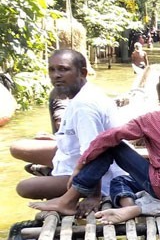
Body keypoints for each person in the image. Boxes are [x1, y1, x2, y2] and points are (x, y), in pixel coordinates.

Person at [30, 71, 160, 225]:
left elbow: (108, 136)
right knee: (120, 181)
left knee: (112, 146)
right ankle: (129, 208)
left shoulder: (149, 120)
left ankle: (69, 199)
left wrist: (80, 164)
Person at [16, 49, 123, 214]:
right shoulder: (83, 94)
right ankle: (52, 169)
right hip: (75, 159)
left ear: (83, 73)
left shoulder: (84, 106)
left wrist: (94, 195)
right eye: (52, 70)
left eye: (63, 69)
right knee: (18, 147)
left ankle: (65, 189)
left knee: (24, 188)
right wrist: (58, 138)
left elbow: (95, 153)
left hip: (97, 174)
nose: (56, 75)